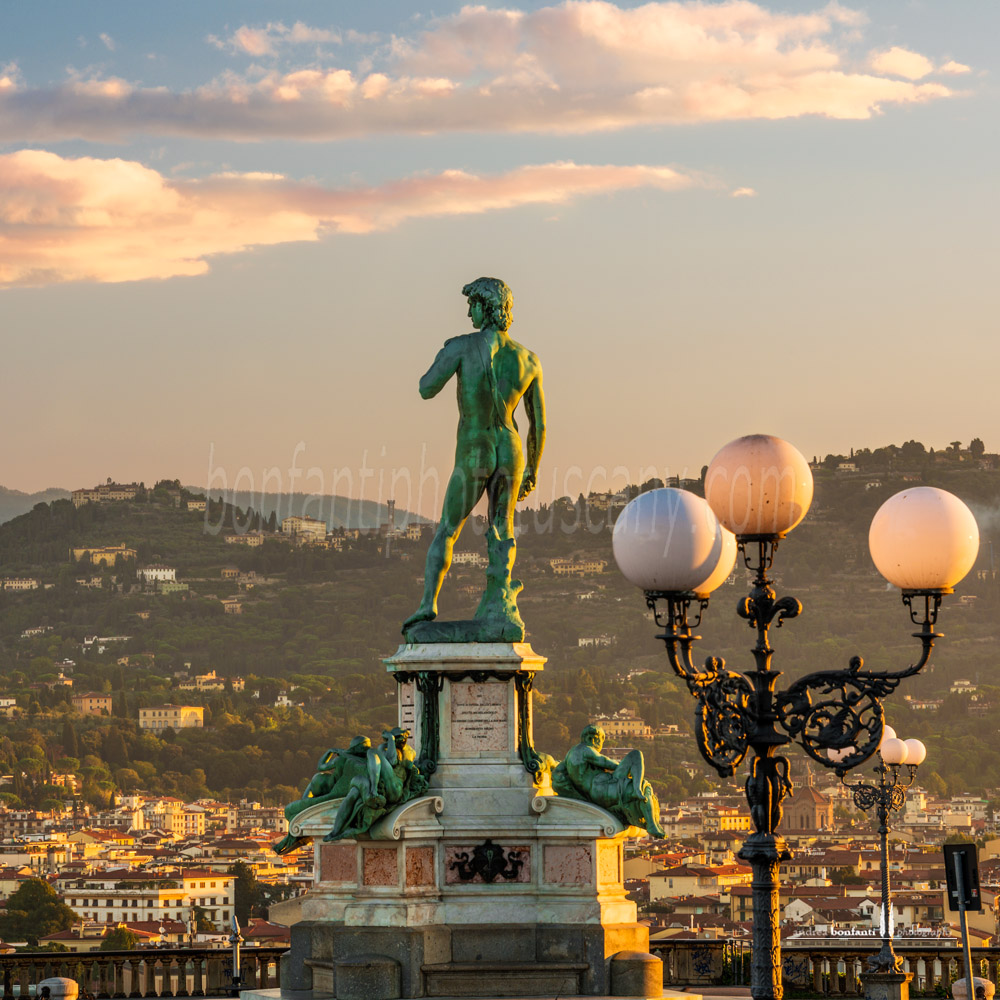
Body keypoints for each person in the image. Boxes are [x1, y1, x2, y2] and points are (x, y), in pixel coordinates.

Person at [403, 277, 545, 635]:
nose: (468, 312)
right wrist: (533, 470)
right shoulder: (529, 359)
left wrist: (447, 352)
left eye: (472, 305)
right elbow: (539, 425)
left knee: (448, 530)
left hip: (475, 447)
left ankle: (427, 606)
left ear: (486, 307)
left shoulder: (463, 347)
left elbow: (425, 388)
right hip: (511, 449)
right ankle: (500, 604)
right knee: (502, 530)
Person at [552, 724, 665, 838]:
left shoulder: (569, 755)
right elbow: (605, 761)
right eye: (601, 740)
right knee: (636, 757)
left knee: (644, 785)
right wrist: (626, 768)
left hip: (600, 788)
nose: (600, 744)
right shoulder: (585, 749)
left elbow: (557, 774)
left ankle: (650, 819)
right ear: (594, 739)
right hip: (602, 787)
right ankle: (640, 796)